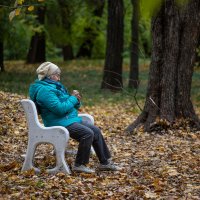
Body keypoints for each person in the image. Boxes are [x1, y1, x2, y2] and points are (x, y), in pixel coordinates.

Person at [29, 62, 119, 173]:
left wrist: (76, 100)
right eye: (57, 75)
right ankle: (79, 165)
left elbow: (66, 103)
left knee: (95, 130)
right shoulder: (45, 91)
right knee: (87, 134)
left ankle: (105, 163)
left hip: (66, 119)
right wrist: (73, 99)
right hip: (57, 122)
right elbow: (60, 109)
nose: (59, 78)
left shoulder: (54, 87)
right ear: (49, 76)